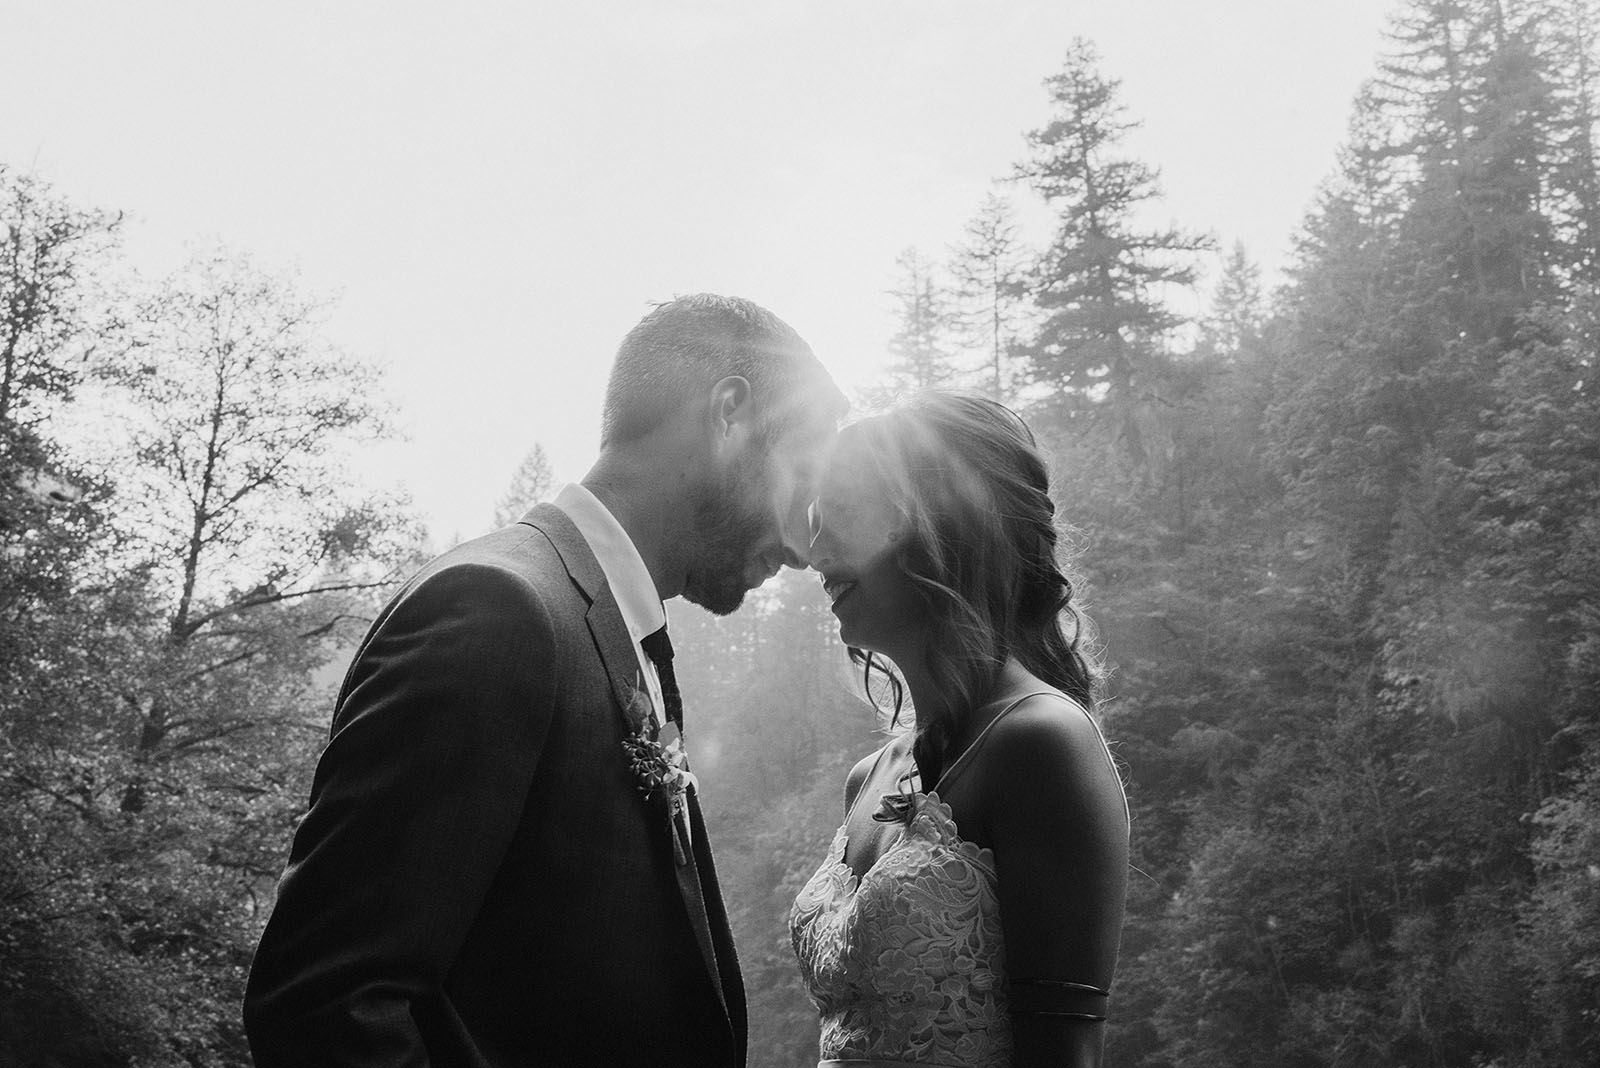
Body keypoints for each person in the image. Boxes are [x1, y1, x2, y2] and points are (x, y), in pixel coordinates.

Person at [244, 294, 846, 1068]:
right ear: (729, 416)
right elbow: (325, 1003)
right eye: (802, 473)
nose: (804, 544)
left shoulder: (617, 634)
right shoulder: (500, 612)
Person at [790, 392, 1129, 1068]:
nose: (813, 553)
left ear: (937, 525)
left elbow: (1065, 1053)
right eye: (812, 524)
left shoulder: (1042, 746)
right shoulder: (867, 780)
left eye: (842, 517)